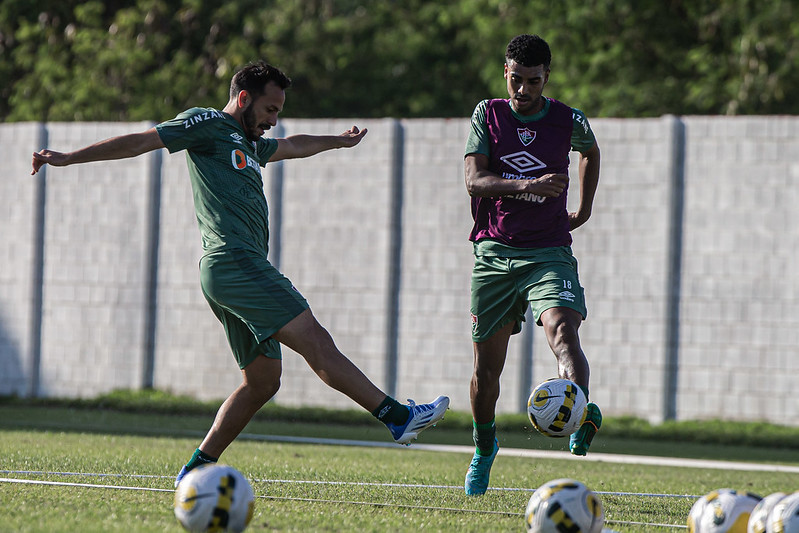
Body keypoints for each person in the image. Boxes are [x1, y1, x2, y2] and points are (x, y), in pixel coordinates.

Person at [31, 60, 449, 486]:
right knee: (316, 340)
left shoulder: (249, 144)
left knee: (263, 381)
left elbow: (293, 145)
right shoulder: (208, 123)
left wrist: (338, 142)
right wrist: (68, 158)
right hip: (234, 262)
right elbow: (142, 141)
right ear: (243, 98)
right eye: (269, 109)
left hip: (232, 270)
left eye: (278, 112)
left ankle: (195, 470)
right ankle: (397, 417)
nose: (273, 120)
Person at [462, 34, 601, 496]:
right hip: (495, 255)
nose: (523, 90)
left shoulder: (567, 118)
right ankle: (484, 449)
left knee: (563, 332)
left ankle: (578, 412)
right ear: (506, 73)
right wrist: (529, 184)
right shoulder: (489, 114)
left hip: (549, 251)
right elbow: (475, 181)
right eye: (516, 80)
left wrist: (582, 210)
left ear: (547, 77)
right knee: (486, 371)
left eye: (533, 81)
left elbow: (591, 151)